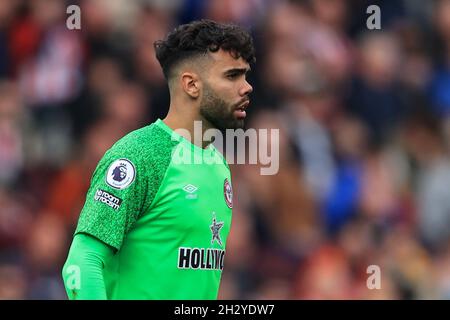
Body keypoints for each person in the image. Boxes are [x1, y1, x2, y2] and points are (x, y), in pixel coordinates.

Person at [61, 19, 255, 299]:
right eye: (232, 76)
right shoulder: (141, 155)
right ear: (191, 85)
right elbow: (82, 261)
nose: (247, 86)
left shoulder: (218, 165)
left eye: (245, 75)